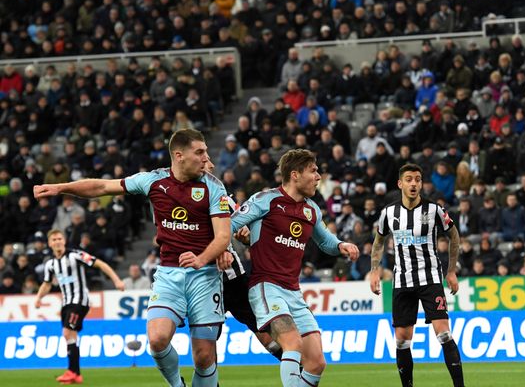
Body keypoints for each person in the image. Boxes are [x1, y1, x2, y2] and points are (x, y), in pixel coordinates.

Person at [34, 129, 232, 387]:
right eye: (199, 152)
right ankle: (177, 385)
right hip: (169, 275)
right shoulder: (153, 181)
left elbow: (223, 236)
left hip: (205, 278)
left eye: (205, 151)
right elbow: (102, 186)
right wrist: (61, 188)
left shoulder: (213, 186)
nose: (207, 158)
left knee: (204, 356)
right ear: (179, 155)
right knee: (157, 340)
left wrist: (201, 258)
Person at [229, 149, 359, 387]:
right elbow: (227, 225)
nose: (319, 176)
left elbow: (325, 242)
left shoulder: (311, 210)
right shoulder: (265, 200)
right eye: (314, 171)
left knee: (317, 362)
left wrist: (341, 245)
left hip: (293, 292)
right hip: (266, 286)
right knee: (292, 344)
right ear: (295, 175)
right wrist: (224, 250)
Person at [369, 163, 465, 387]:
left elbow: (454, 235)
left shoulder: (434, 210)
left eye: (418, 179)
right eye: (409, 179)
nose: (414, 183)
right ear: (400, 183)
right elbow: (378, 241)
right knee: (402, 341)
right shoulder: (388, 213)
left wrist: (451, 271)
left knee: (444, 334)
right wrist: (374, 272)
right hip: (402, 281)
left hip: (431, 278)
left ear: (422, 183)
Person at [204, 158, 285, 363]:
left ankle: (296, 368)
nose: (212, 165)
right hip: (203, 281)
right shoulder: (181, 201)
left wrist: (246, 233)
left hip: (234, 279)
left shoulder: (221, 196)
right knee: (205, 343)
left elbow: (246, 221)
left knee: (263, 327)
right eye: (205, 160)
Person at [34, 229, 125, 384]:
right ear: (49, 243)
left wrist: (117, 280)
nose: (57, 241)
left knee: (67, 332)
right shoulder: (50, 264)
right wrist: (38, 298)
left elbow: (100, 264)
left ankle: (71, 371)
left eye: (59, 238)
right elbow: (47, 283)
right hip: (66, 303)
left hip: (79, 300)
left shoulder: (75, 255)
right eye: (54, 239)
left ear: (64, 241)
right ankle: (75, 374)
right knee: (71, 337)